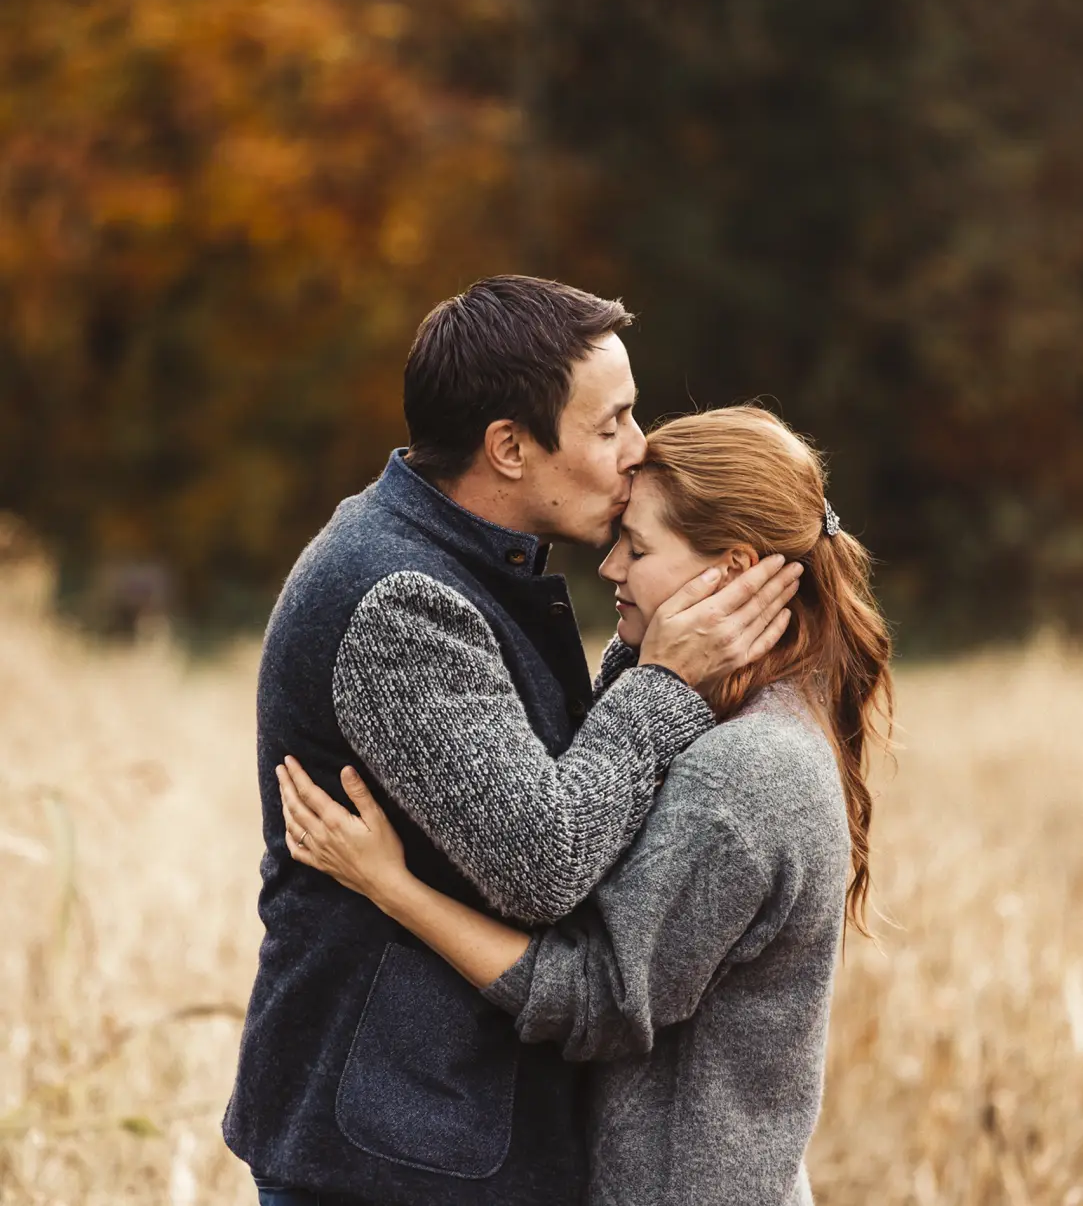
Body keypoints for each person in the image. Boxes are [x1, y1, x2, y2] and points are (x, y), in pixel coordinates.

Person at [223, 277, 801, 1206]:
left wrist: (654, 650)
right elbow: (542, 858)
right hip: (395, 1153)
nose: (637, 448)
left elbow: (563, 773)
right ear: (509, 448)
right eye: (608, 424)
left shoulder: (469, 561)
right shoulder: (399, 602)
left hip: (436, 1131)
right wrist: (663, 681)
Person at [277, 405, 894, 1206]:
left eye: (637, 547)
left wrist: (391, 887)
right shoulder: (747, 717)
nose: (609, 567)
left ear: (734, 570)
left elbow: (595, 997)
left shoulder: (746, 771)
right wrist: (653, 663)